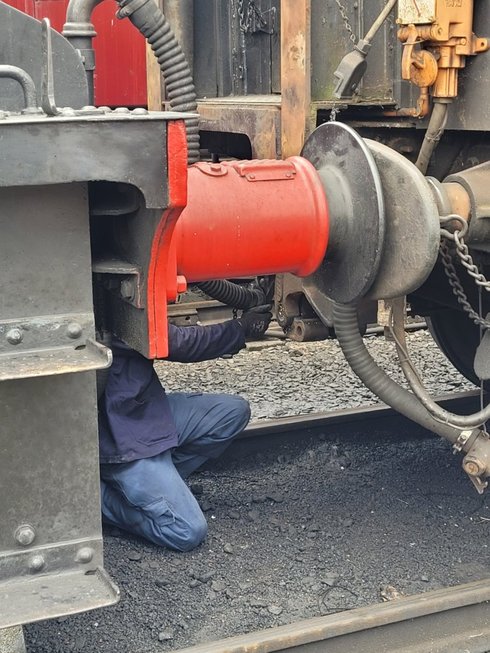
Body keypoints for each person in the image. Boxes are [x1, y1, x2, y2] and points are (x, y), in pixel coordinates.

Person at [98, 306, 272, 552]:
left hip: (140, 414)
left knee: (233, 412)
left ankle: (161, 484)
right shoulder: (105, 309)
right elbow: (179, 343)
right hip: (120, 440)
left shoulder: (105, 295)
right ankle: (100, 498)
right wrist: (241, 329)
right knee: (187, 531)